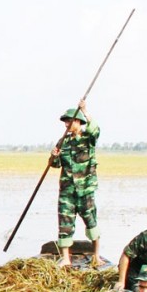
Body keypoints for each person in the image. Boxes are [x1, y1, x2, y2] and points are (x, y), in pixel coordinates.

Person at [50, 100, 101, 267]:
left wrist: (85, 110)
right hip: (67, 191)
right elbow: (55, 165)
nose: (66, 124)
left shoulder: (88, 138)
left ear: (78, 122)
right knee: (65, 223)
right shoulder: (63, 141)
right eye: (65, 121)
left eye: (69, 121)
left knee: (91, 222)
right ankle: (66, 258)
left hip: (85, 190)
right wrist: (54, 156)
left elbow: (95, 129)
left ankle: (96, 255)